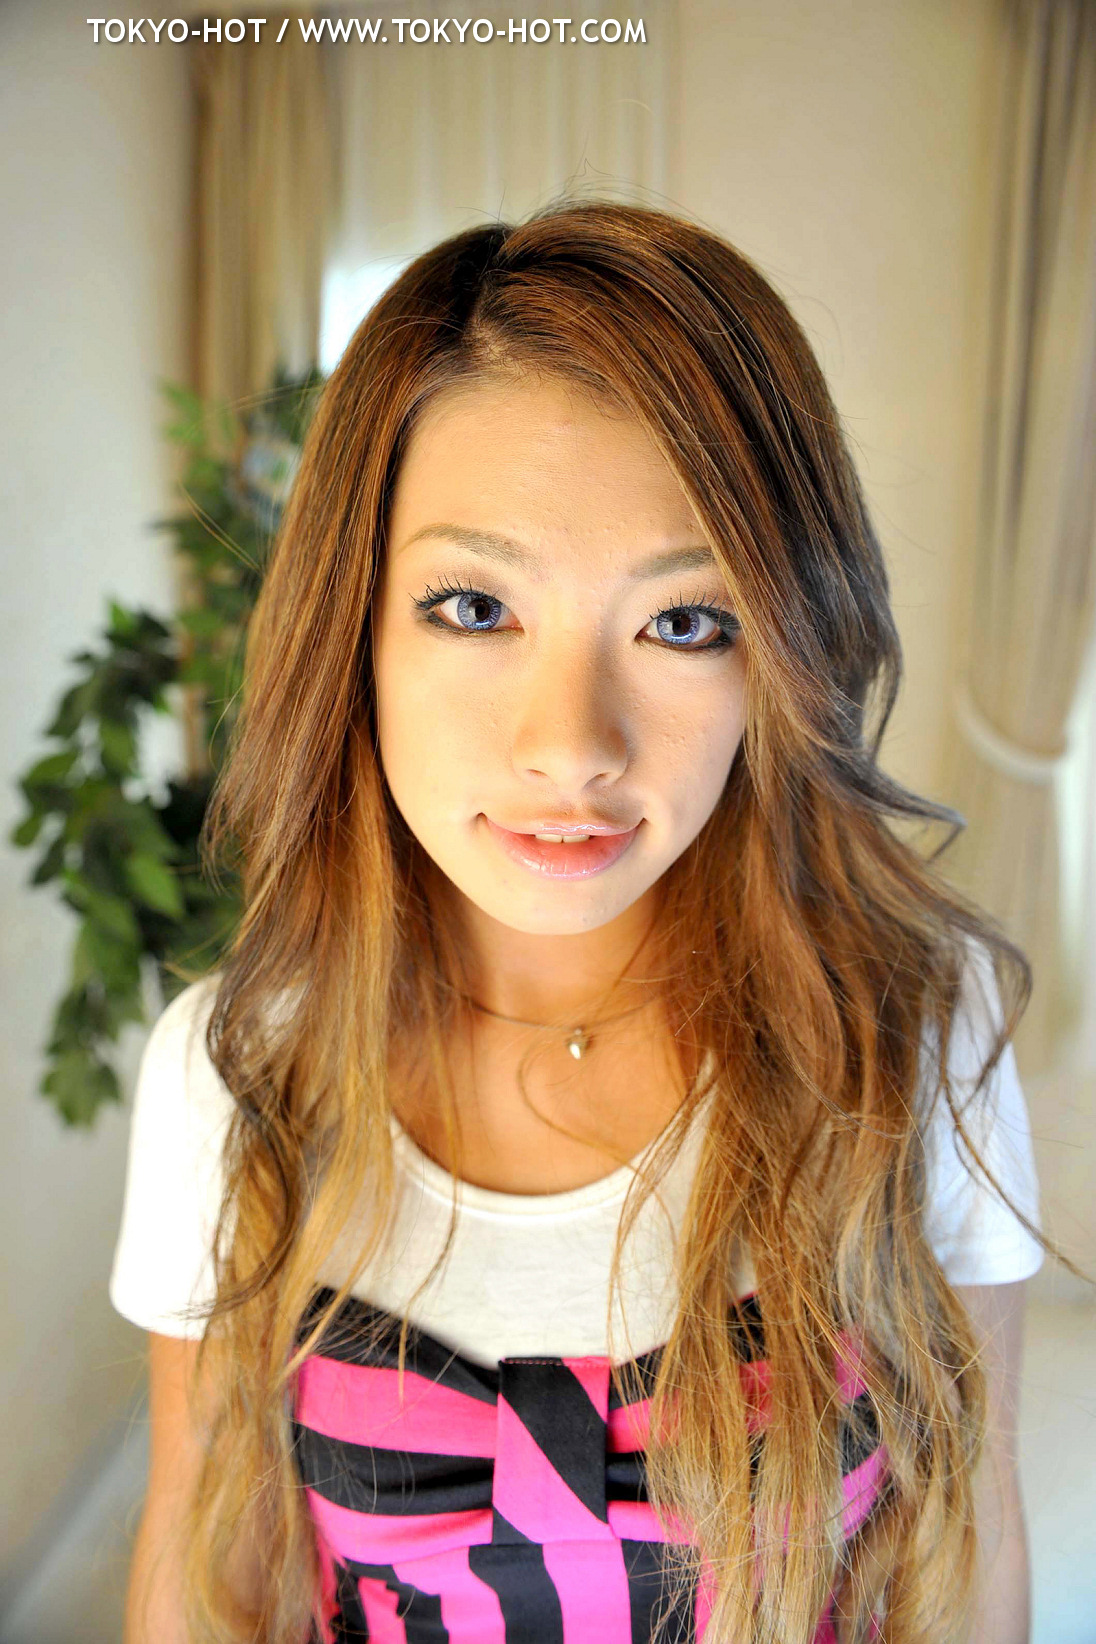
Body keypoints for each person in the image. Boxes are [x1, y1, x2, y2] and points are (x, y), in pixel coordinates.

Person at [110, 199, 1053, 1644]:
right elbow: (202, 1564)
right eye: (475, 607)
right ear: (355, 629)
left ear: (782, 656)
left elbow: (969, 1553)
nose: (573, 748)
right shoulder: (239, 1068)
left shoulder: (912, 1032)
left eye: (685, 622)